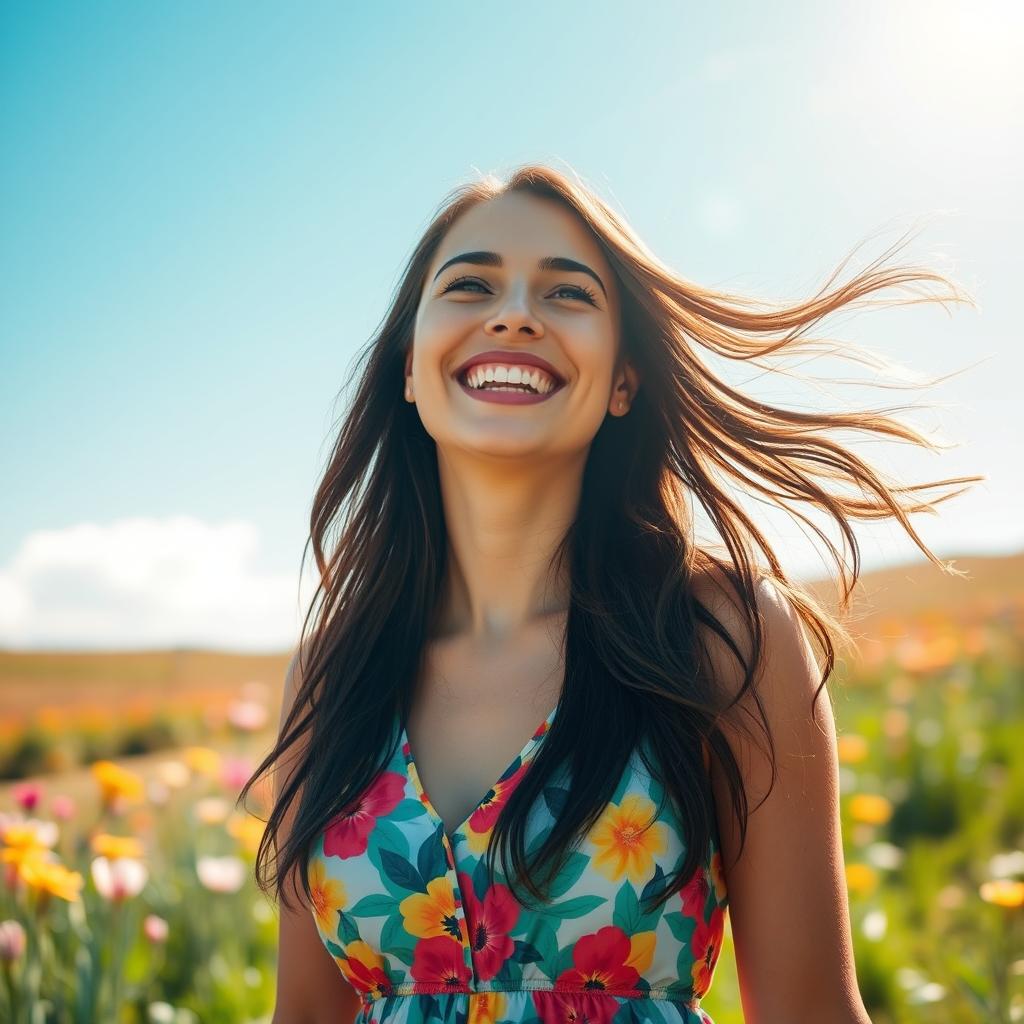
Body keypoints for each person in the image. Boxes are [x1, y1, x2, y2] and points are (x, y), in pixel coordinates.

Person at [245, 164, 978, 1024]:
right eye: (471, 284)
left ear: (623, 380)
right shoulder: (333, 675)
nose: (514, 313)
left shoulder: (720, 639)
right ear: (410, 367)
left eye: (567, 295)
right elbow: (303, 1013)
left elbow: (812, 1011)